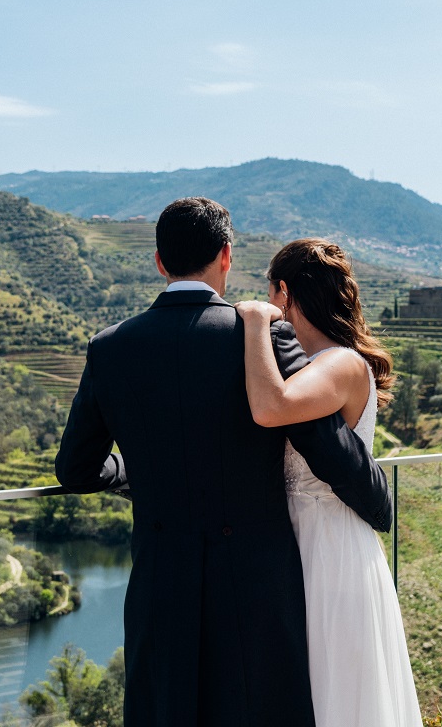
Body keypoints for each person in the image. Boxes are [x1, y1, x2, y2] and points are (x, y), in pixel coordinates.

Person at [55, 198, 392, 727]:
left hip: (160, 581)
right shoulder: (259, 336)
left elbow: (75, 469)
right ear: (226, 257)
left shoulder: (109, 348)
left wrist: (132, 473)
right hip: (257, 584)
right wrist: (379, 501)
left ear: (160, 262)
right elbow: (325, 447)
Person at [235, 238, 422, 727]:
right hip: (293, 538)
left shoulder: (341, 363)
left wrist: (255, 321)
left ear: (283, 292)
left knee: (334, 687)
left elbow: (271, 407)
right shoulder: (311, 362)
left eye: (270, 294)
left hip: (331, 546)